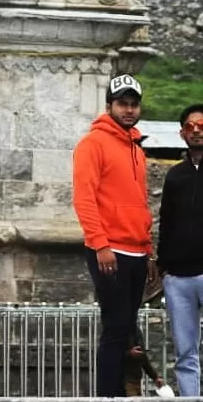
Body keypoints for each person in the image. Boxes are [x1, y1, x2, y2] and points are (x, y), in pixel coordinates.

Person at [72, 74, 157, 398]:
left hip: (136, 250)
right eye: (123, 103)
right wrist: (101, 244)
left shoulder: (137, 148)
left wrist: (148, 250)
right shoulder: (92, 144)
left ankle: (121, 389)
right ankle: (108, 394)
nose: (129, 110)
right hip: (110, 250)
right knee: (115, 326)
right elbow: (84, 198)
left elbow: (140, 201)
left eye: (134, 104)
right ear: (109, 105)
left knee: (126, 328)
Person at [157, 103, 203, 397]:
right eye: (190, 126)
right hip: (179, 278)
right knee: (185, 353)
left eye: (201, 124)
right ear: (182, 133)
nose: (196, 130)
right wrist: (162, 265)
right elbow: (166, 223)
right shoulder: (174, 176)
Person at [124, 326, 166, 397]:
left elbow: (143, 357)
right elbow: (112, 355)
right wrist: (129, 354)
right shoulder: (117, 331)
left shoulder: (136, 330)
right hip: (124, 381)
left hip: (135, 381)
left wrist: (155, 377)